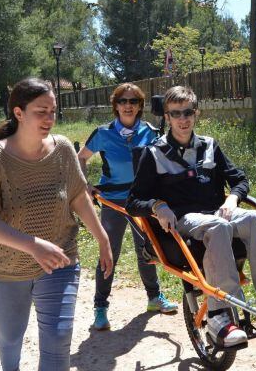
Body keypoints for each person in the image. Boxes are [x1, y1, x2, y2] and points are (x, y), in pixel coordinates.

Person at [125, 85, 256, 349]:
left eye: (187, 112)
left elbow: (239, 179)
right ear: (167, 118)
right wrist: (158, 206)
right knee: (217, 226)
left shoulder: (210, 146)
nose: (183, 119)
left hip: (216, 212)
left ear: (196, 113)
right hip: (183, 221)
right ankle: (219, 315)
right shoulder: (154, 153)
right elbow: (133, 202)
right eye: (176, 114)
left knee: (252, 219)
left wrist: (232, 198)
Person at [0, 77, 114, 371]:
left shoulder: (62, 149)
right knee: (10, 339)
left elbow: (78, 198)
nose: (49, 119)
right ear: (18, 113)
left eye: (53, 111)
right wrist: (32, 245)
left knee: (58, 340)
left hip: (60, 259)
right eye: (40, 111)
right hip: (7, 267)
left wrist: (103, 239)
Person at [77, 83, 178, 331]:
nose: (128, 105)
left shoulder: (151, 132)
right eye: (123, 101)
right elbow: (80, 157)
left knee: (147, 248)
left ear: (140, 106)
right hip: (113, 201)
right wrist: (86, 185)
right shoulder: (102, 133)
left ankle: (154, 298)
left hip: (142, 200)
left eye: (133, 101)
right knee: (109, 251)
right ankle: (100, 307)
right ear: (116, 105)